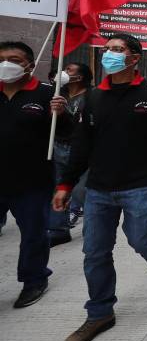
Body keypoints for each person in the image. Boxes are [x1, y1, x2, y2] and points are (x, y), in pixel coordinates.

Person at [53, 33, 147, 341]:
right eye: (107, 49)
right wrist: (65, 184)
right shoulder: (93, 99)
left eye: (118, 50)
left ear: (134, 58)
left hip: (140, 183)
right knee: (95, 252)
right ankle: (99, 312)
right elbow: (81, 146)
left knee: (141, 238)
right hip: (99, 188)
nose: (109, 54)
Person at [1, 41, 72, 308]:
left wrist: (61, 115)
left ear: (30, 65)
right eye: (2, 58)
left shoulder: (46, 95)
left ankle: (34, 280)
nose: (6, 64)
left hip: (32, 181)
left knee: (33, 234)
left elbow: (68, 134)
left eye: (15, 59)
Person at [49, 62, 93, 246]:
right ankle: (59, 229)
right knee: (59, 188)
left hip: (82, 150)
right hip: (59, 146)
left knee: (82, 192)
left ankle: (92, 231)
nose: (64, 73)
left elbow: (85, 126)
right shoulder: (59, 93)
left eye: (69, 70)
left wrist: (64, 113)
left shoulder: (92, 96)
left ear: (80, 77)